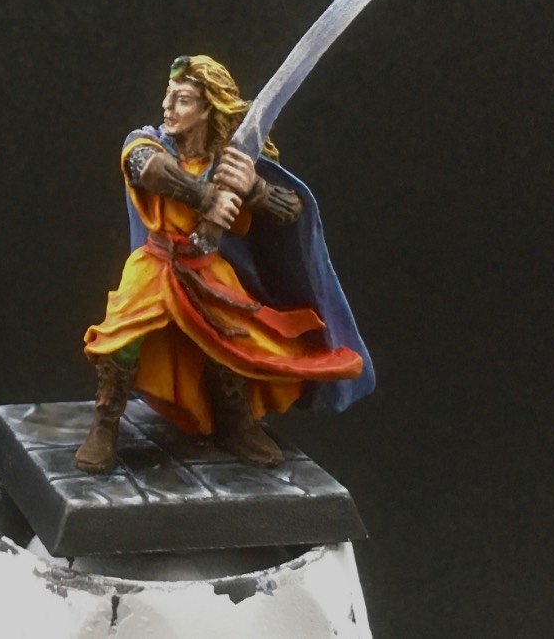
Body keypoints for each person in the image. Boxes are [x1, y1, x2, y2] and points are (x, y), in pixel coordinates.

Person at [75, 55, 374, 472]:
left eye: (181, 99)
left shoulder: (233, 162)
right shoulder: (146, 142)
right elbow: (148, 169)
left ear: (207, 109)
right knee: (120, 339)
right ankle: (105, 425)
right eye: (168, 95)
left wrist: (254, 189)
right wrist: (205, 197)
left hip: (207, 267)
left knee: (232, 342)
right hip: (156, 263)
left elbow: (291, 209)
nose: (167, 106)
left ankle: (234, 423)